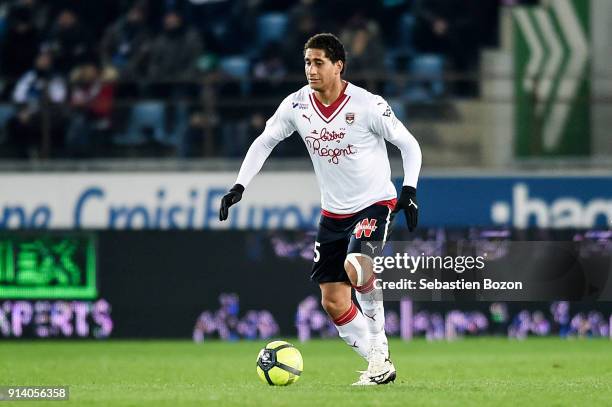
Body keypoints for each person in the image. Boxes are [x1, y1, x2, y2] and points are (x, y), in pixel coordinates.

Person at [218, 33, 421, 385]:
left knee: (357, 264)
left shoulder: (367, 104)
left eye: (319, 62)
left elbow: (409, 144)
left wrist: (409, 190)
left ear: (338, 65)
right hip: (333, 214)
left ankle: (377, 346)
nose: (311, 69)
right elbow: (264, 141)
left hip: (374, 203)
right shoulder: (296, 105)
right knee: (333, 301)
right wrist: (239, 185)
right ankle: (380, 364)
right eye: (308, 62)